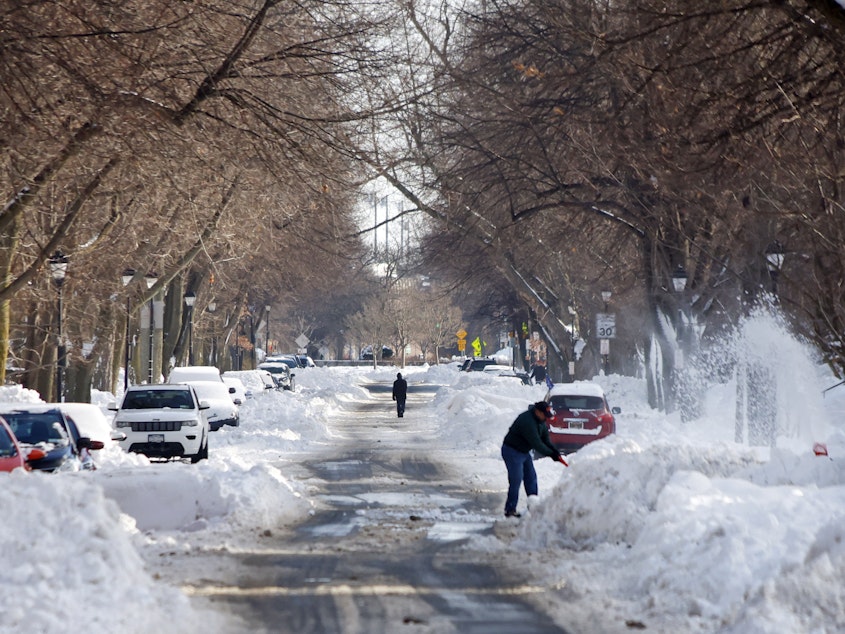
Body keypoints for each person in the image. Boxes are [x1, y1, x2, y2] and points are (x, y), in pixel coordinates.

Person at [500, 401, 562, 518]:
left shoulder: (541, 420)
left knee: (531, 478)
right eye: (545, 415)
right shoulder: (527, 421)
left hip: (523, 451)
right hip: (512, 451)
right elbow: (537, 443)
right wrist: (551, 454)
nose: (546, 419)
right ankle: (510, 510)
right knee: (516, 480)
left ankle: (533, 508)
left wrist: (555, 451)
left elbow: (545, 439)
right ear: (538, 412)